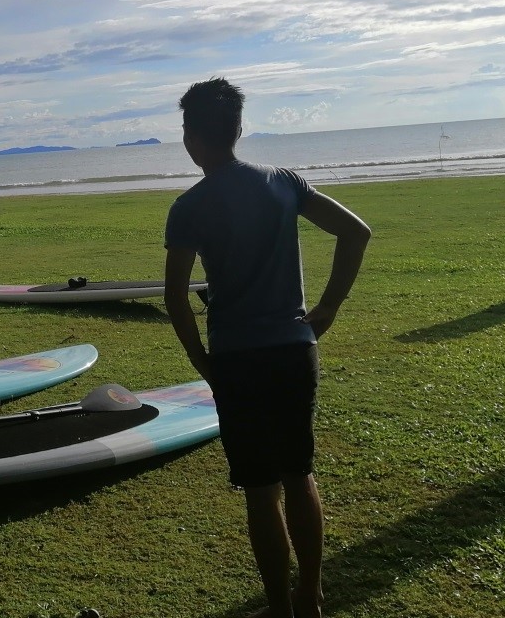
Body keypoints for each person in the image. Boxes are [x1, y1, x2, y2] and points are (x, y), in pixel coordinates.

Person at [163, 78, 371, 618]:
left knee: (261, 491)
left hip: (237, 360)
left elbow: (177, 300)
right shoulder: (282, 182)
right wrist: (326, 309)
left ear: (191, 137)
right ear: (237, 129)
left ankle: (279, 605)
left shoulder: (190, 206)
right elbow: (356, 233)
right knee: (299, 475)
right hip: (293, 351)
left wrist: (203, 364)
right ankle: (310, 596)